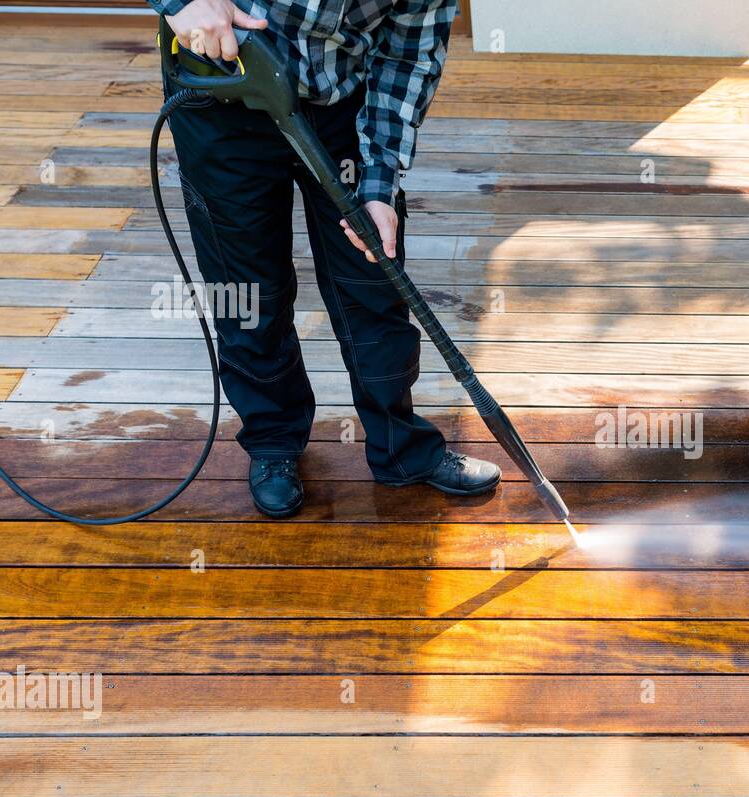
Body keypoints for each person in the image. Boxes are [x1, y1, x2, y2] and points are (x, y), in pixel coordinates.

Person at [146, 0, 499, 517]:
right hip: (221, 98)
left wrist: (379, 185)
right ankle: (273, 442)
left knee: (372, 283)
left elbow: (408, 57)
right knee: (247, 291)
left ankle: (401, 449)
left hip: (341, 105)